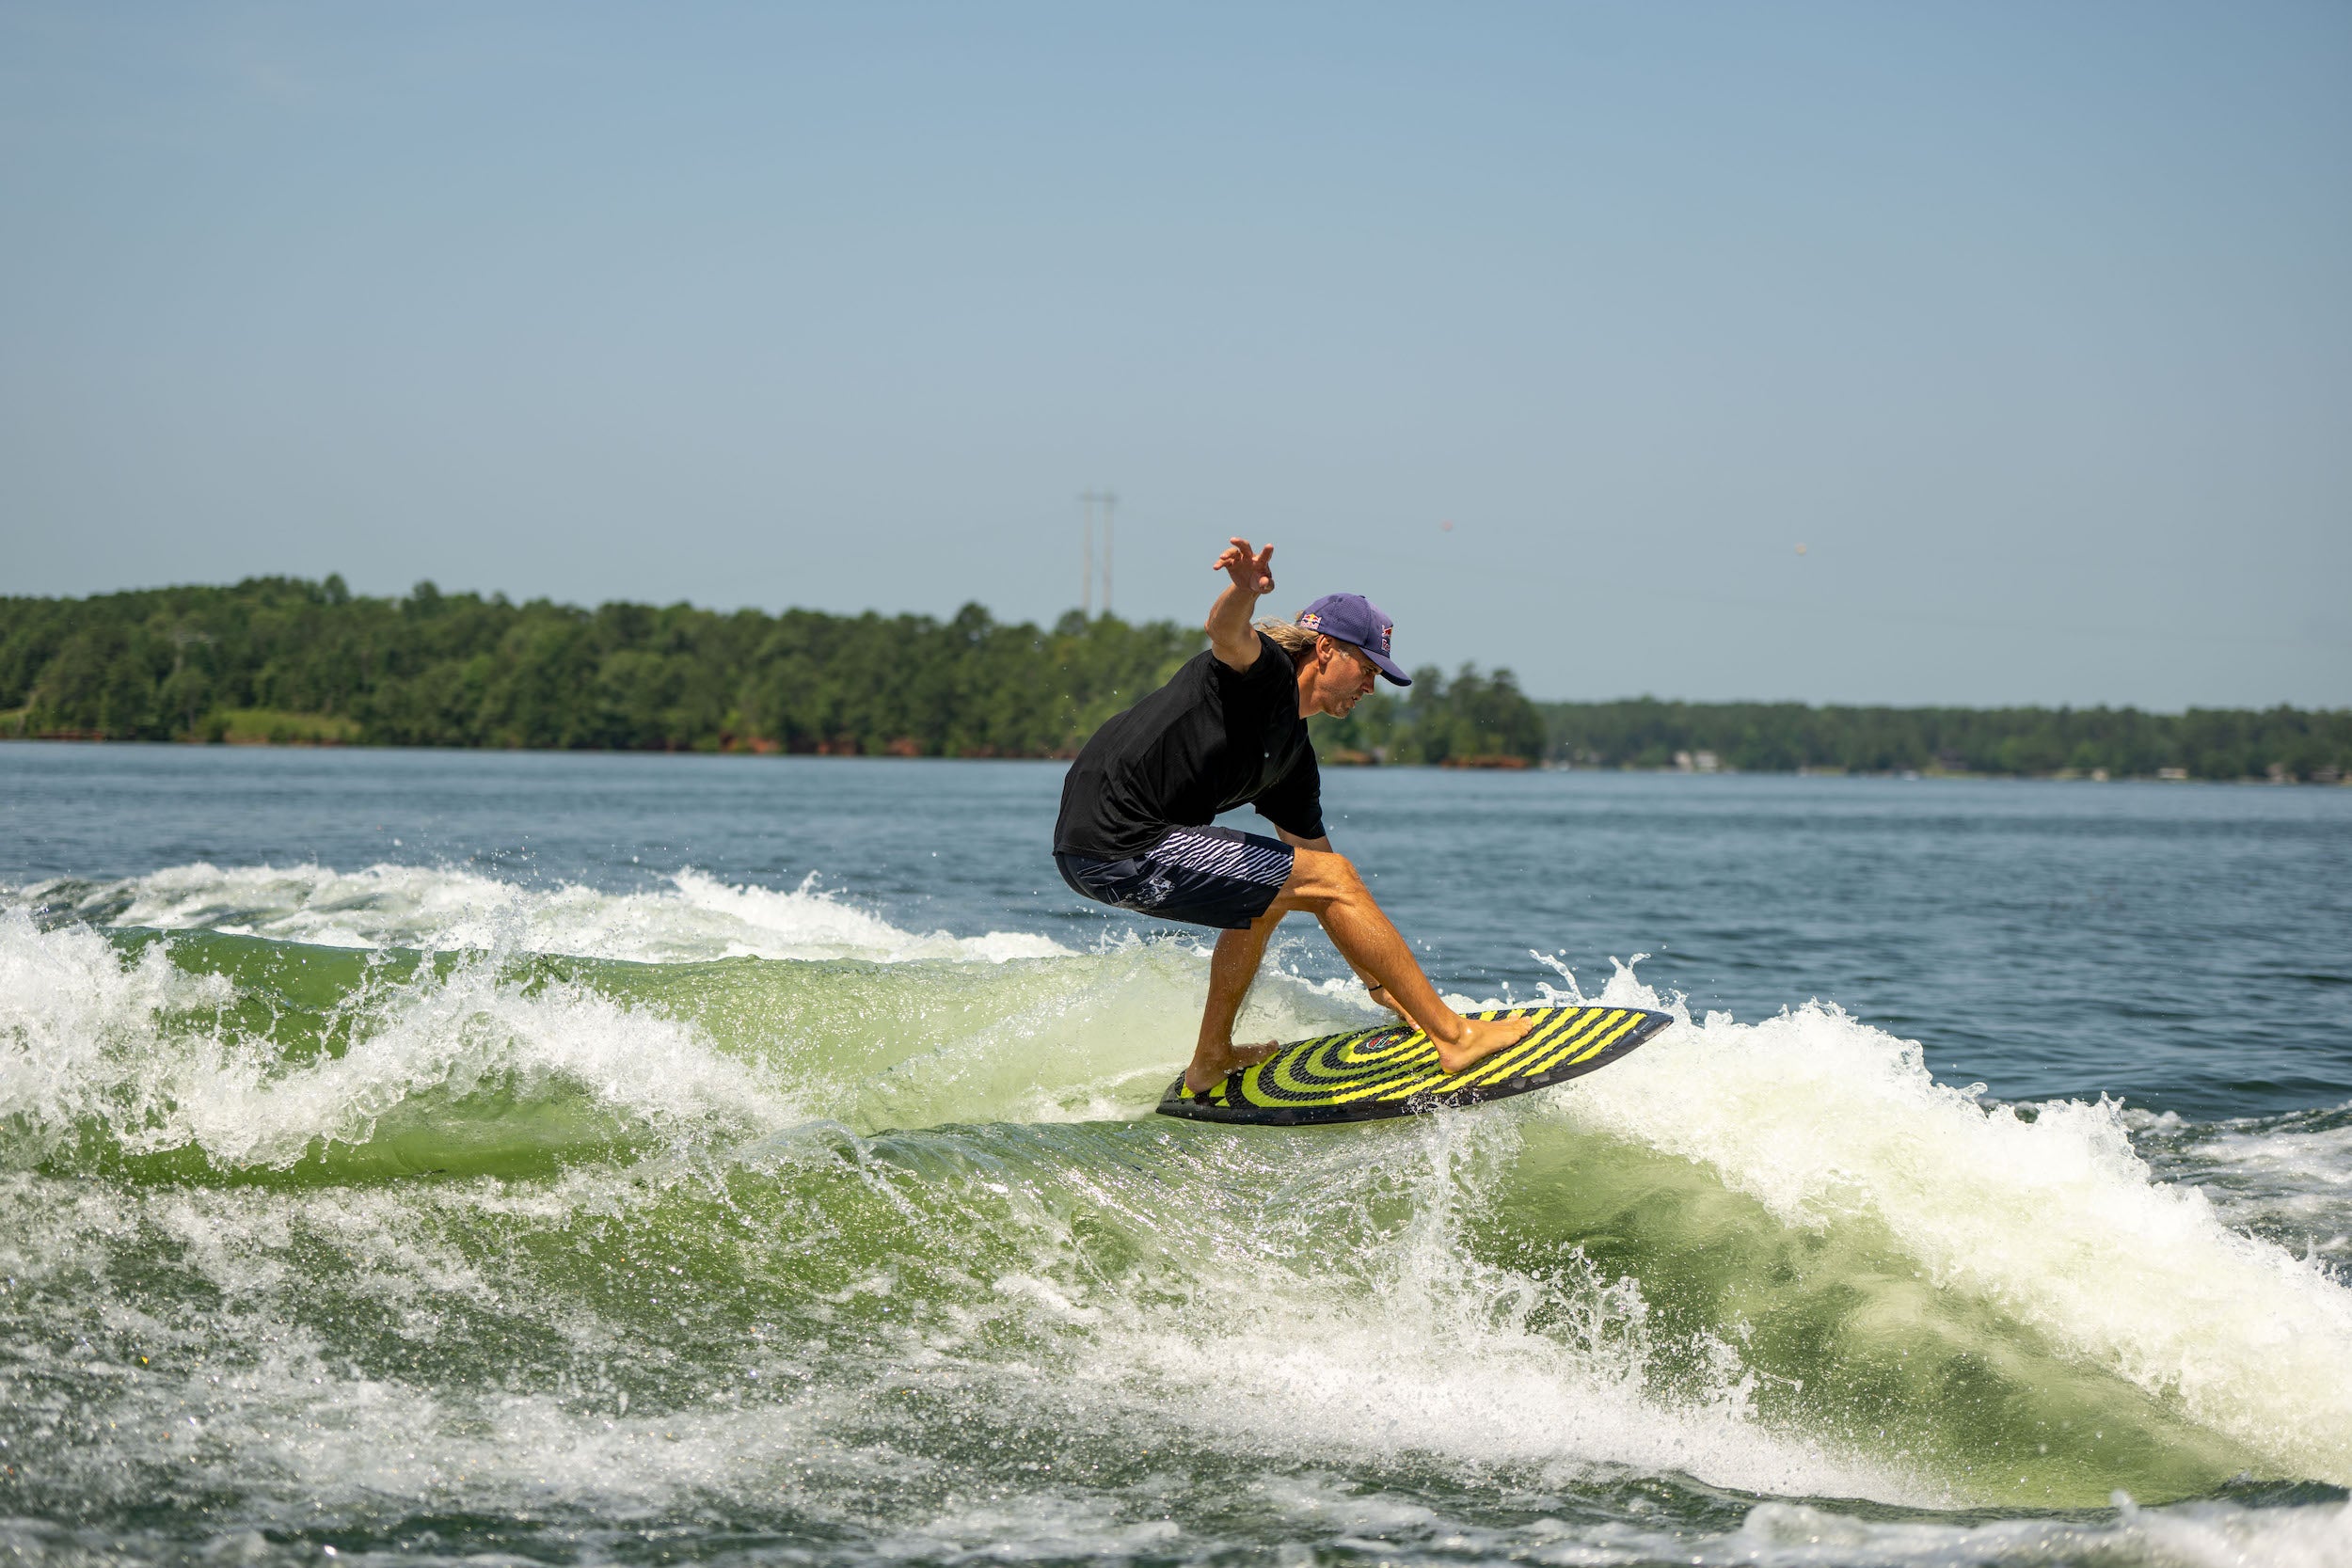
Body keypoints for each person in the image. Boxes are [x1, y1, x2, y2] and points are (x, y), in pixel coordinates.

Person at [1054, 536, 1538, 1093]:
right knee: (1325, 881)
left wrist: (1385, 990)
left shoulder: (1291, 758)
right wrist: (1242, 592)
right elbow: (1225, 633)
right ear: (1326, 650)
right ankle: (1454, 1038)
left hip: (1101, 850)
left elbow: (1327, 882)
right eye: (1367, 668)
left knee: (1276, 890)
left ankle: (1209, 1058)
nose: (1371, 687)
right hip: (1122, 842)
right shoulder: (1266, 676)